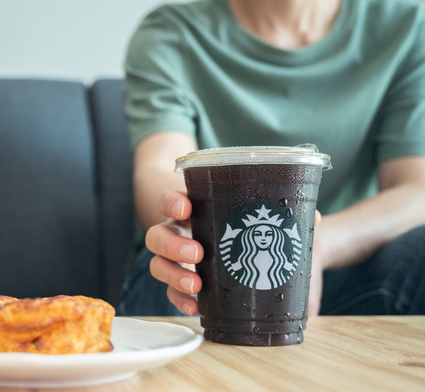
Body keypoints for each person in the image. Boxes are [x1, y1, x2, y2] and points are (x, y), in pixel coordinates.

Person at [119, 0, 425, 317]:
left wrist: (314, 244)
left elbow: (416, 188)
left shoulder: (408, 27)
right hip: (209, 259)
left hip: (353, 273)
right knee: (177, 268)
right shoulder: (171, 34)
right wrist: (192, 223)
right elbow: (160, 164)